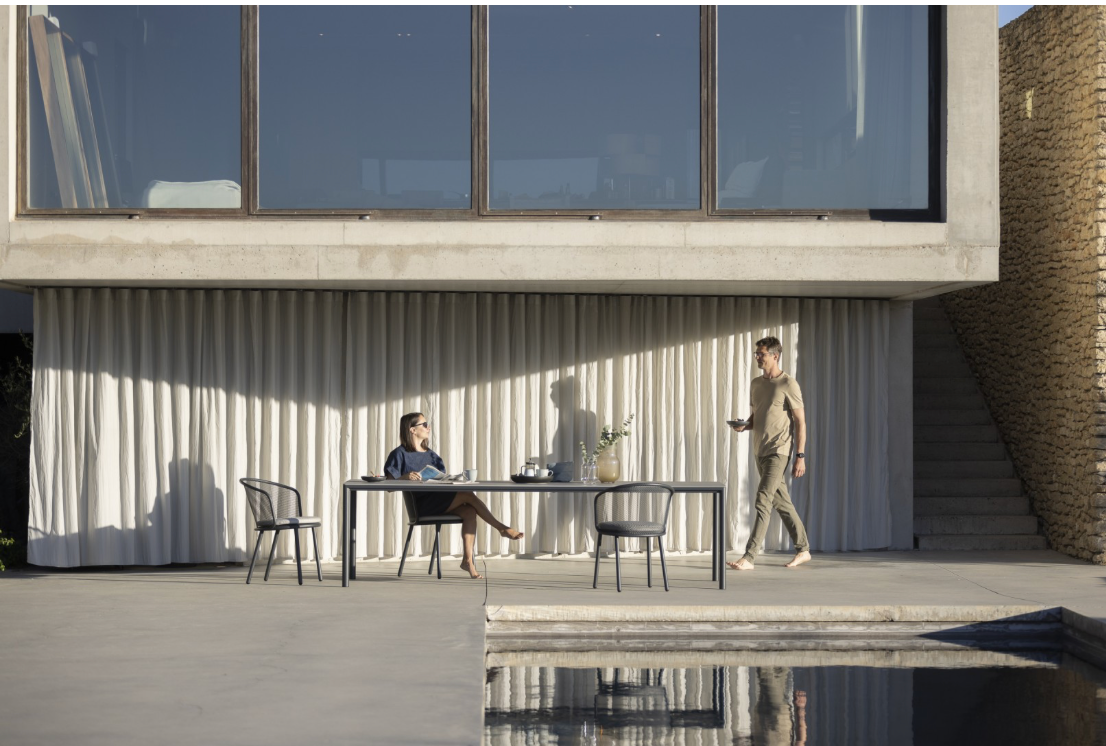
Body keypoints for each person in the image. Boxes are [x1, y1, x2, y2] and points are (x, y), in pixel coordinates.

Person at [384, 412, 523, 579]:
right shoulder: (399, 454)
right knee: (467, 494)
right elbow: (389, 486)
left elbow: (441, 479)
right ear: (412, 430)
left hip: (438, 500)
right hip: (421, 506)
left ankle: (467, 561)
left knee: (469, 511)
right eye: (424, 424)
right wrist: (404, 477)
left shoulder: (431, 455)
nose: (428, 428)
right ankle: (501, 528)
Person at [727, 336, 812, 570]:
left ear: (775, 356)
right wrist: (745, 425)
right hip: (760, 449)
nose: (757, 357)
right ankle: (803, 549)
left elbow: (800, 422)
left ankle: (749, 557)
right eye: (756, 354)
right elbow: (758, 415)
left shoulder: (788, 384)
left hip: (779, 450)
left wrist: (800, 456)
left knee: (763, 499)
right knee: (781, 502)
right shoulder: (756, 384)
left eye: (761, 354)